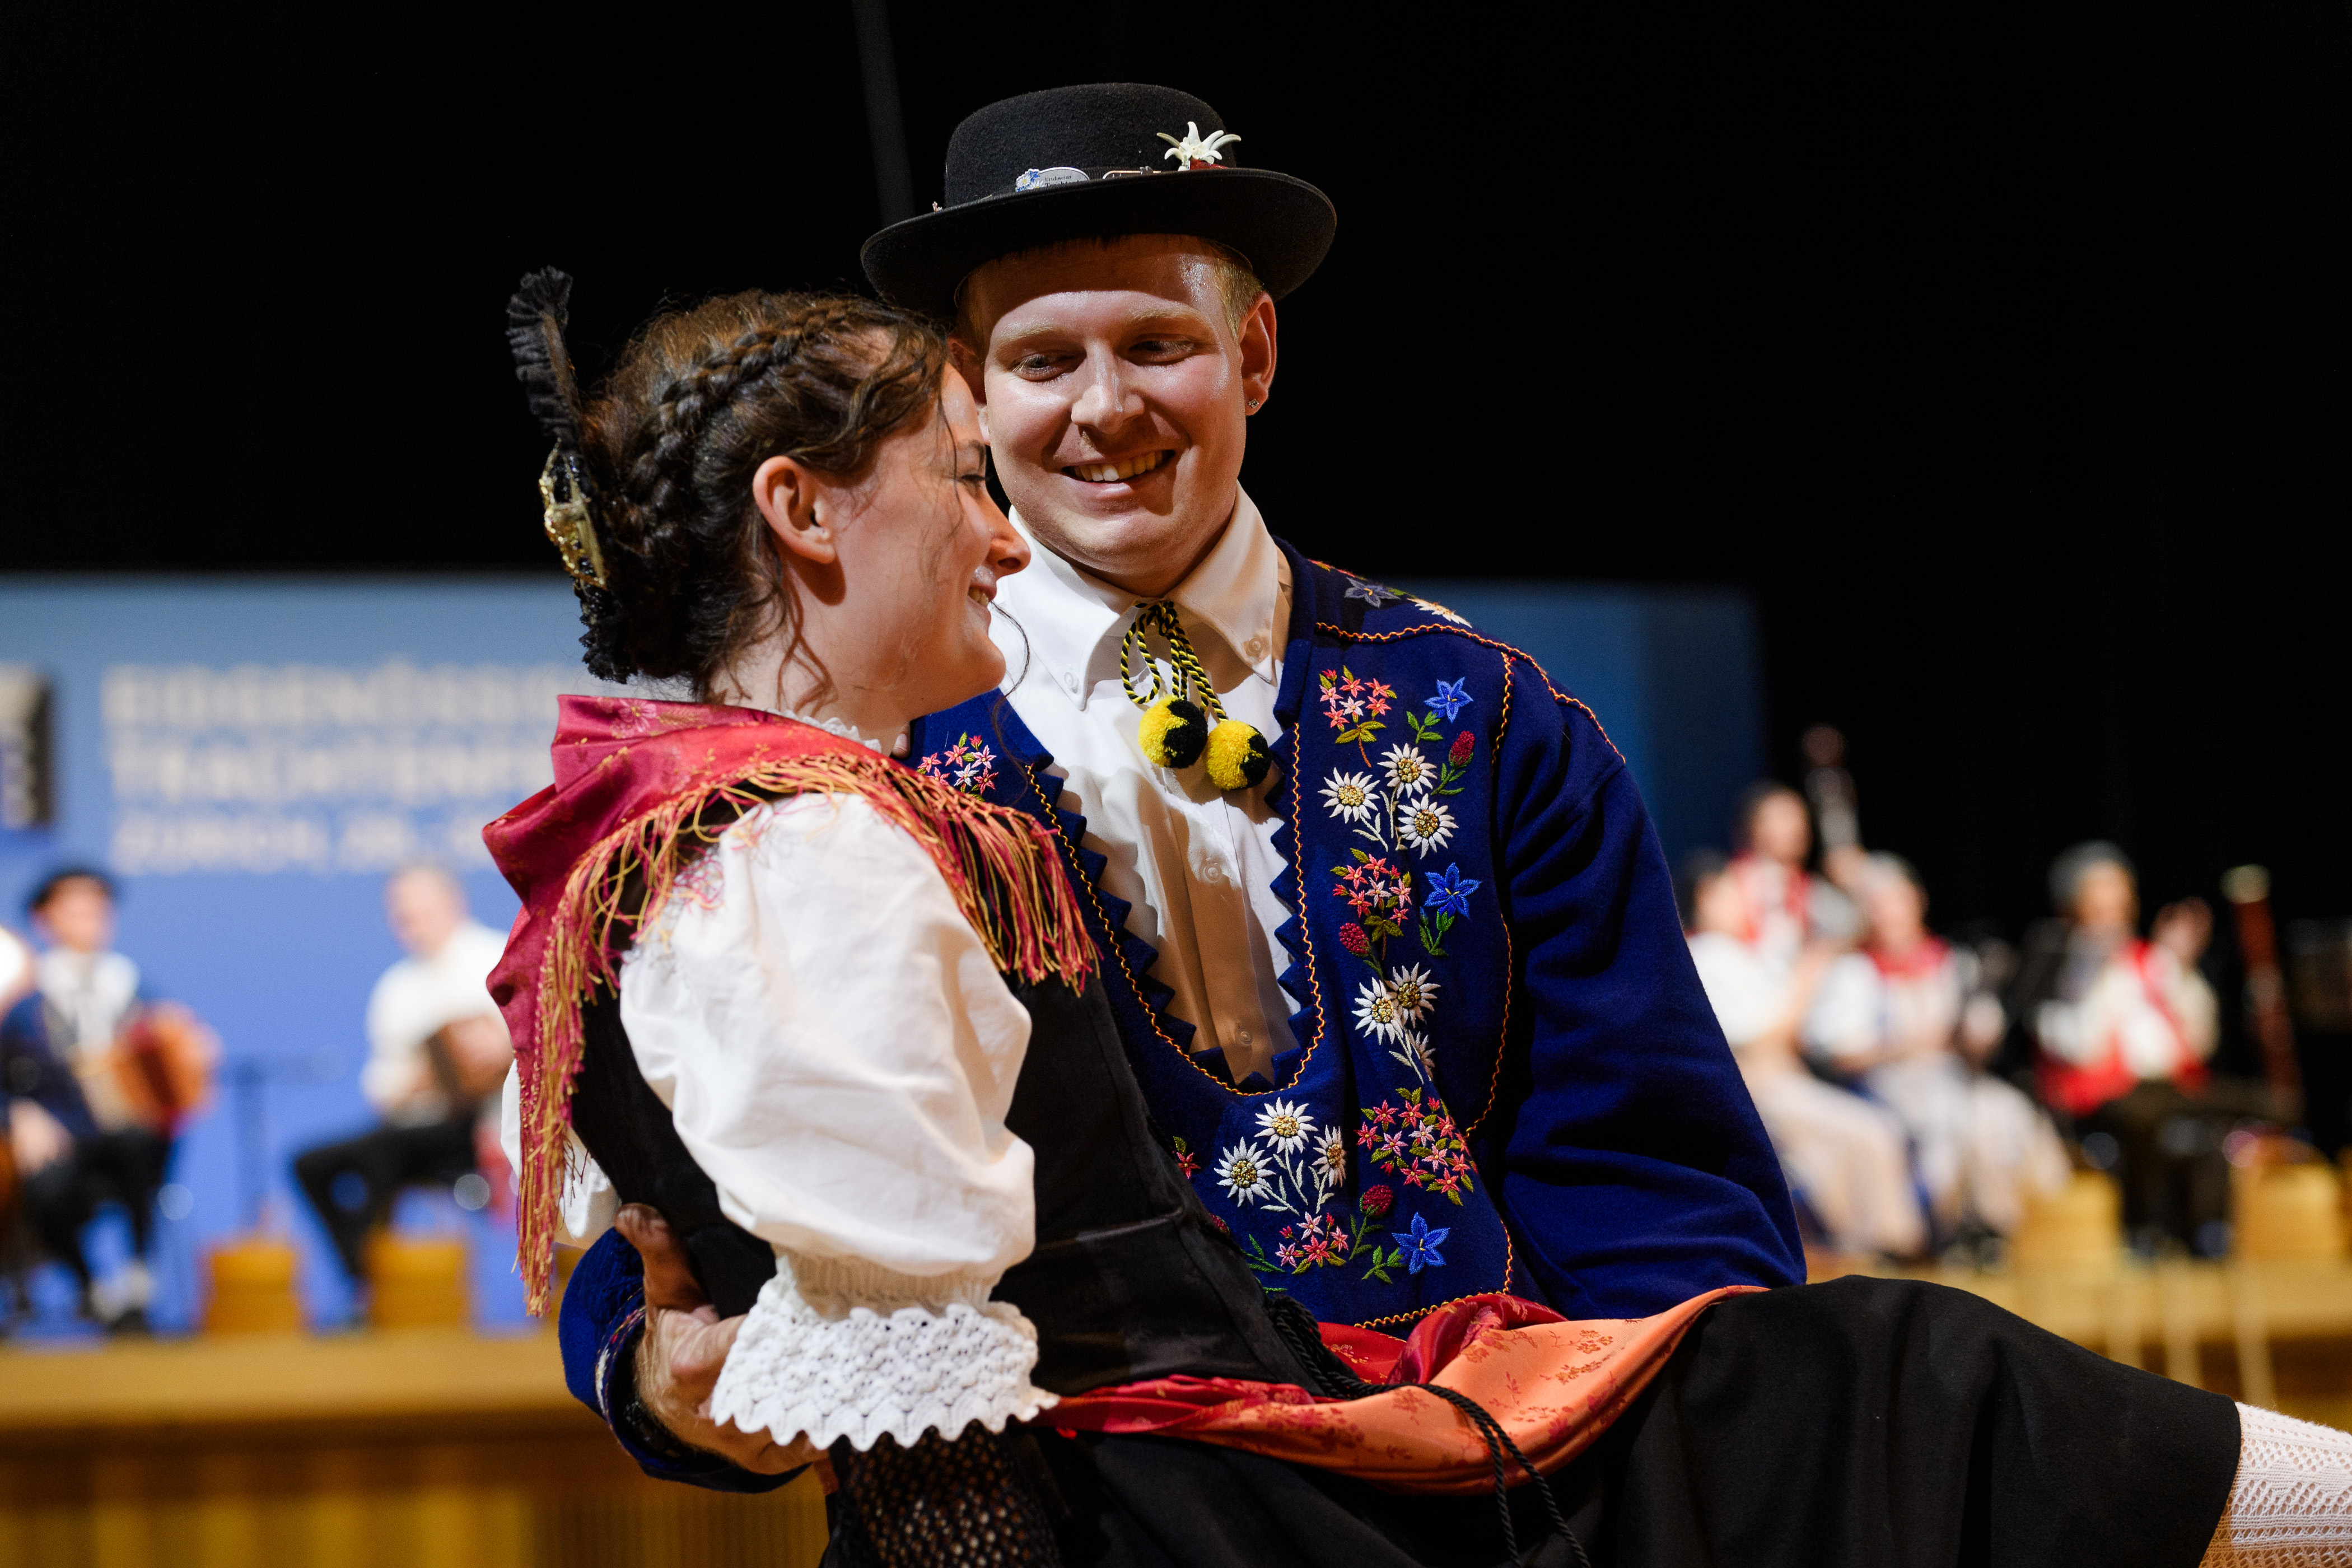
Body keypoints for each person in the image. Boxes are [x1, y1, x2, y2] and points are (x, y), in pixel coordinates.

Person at [529, 82, 2346, 1567]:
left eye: (1156, 341)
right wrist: (662, 1376)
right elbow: (699, 1198)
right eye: (1038, 361)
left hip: (1500, 1483)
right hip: (1102, 1514)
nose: (1100, 409)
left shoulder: (1484, 719)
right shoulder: (858, 769)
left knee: (1926, 1400)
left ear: (1253, 355)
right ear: (972, 399)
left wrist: (1680, 1499)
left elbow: (1653, 1182)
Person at [2012, 842, 2267, 1255]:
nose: (2111, 915)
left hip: (2166, 1092)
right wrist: (2099, 976)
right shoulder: (2062, 970)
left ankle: (2207, 1238)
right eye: (2099, 903)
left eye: (2119, 901)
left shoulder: (2153, 963)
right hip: (2098, 1101)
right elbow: (2078, 1048)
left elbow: (2199, 1044)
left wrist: (2180, 971)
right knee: (2147, 1116)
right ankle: (2143, 1233)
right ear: (2074, 908)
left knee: (2235, 1114)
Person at [1805, 853, 2070, 1243]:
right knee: (1944, 1125)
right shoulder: (1855, 972)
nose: (1886, 915)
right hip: (1889, 1087)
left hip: (1954, 1078)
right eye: (1875, 907)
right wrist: (1907, 1045)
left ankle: (2000, 1228)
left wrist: (1975, 1038)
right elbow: (1840, 1054)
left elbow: (1978, 1046)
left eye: (1894, 902)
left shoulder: (1952, 963)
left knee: (2000, 1112)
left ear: (1915, 901)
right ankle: (1944, 1233)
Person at [1681, 850, 1926, 1258]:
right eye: (1734, 892)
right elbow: (1766, 1038)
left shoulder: (1741, 954)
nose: (1746, 903)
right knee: (1866, 1134)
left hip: (1787, 1080)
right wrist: (1808, 972)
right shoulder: (1707, 954)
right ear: (1707, 897)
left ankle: (1883, 1248)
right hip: (1762, 1089)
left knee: (1876, 1127)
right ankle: (1877, 1249)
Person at [292, 864, 511, 1291]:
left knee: (384, 1155)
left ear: (454, 904)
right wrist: (417, 1081)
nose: (410, 925)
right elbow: (381, 1086)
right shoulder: (397, 988)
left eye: (420, 911)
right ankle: (363, 1277)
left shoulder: (500, 958)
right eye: (401, 915)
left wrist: (502, 1053)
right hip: (417, 1128)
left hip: (491, 1122)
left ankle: (373, 1289)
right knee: (312, 1164)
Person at [0, 867, 172, 1328]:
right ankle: (90, 1288)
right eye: (74, 910)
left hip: (125, 1139)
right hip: (62, 1136)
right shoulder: (26, 1002)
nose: (88, 919)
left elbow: (166, 1064)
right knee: (42, 1184)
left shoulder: (132, 989)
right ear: (46, 920)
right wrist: (19, 1112)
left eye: (96, 910)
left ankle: (139, 1279)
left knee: (141, 1144)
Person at [1725, 780, 1860, 969]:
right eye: (1782, 817)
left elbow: (1848, 930)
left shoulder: (1809, 887)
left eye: (1800, 817)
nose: (1795, 826)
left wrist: (1850, 888)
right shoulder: (1731, 883)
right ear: (1754, 827)